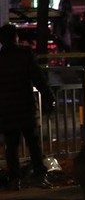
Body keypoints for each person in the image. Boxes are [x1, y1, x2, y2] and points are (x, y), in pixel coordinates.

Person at [0, 24, 56, 190]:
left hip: (6, 109)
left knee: (11, 146)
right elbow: (38, 78)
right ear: (15, 37)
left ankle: (14, 179)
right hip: (25, 107)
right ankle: (39, 176)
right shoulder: (25, 55)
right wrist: (49, 97)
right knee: (33, 143)